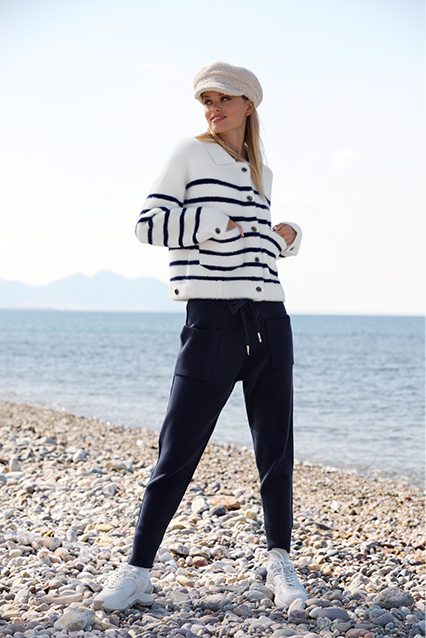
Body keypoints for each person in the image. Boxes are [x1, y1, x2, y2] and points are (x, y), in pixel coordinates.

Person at [94, 61, 307, 612]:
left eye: (224, 99)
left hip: (270, 319)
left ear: (248, 105)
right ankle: (137, 570)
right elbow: (148, 225)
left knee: (276, 450)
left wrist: (285, 237)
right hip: (212, 320)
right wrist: (212, 222)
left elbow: (250, 244)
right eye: (206, 100)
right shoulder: (189, 154)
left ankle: (279, 560)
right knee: (178, 448)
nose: (213, 109)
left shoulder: (260, 172)